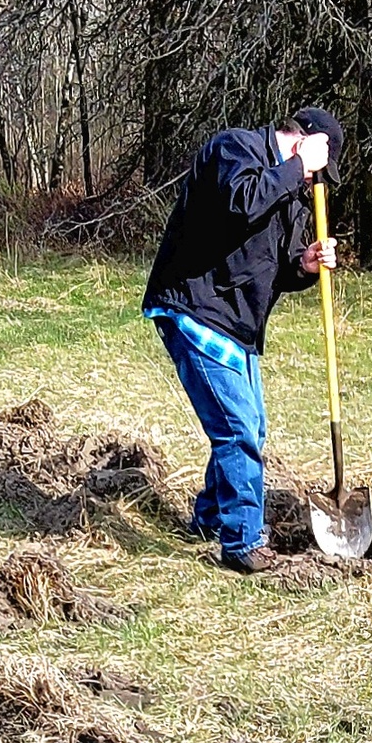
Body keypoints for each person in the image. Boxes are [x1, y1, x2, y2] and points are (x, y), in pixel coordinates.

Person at [143, 108, 343, 573]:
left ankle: (212, 518)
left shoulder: (292, 190)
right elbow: (243, 202)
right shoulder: (235, 149)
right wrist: (297, 167)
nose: (315, 178)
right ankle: (243, 542)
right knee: (236, 430)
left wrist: (305, 265)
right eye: (318, 163)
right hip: (195, 306)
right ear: (302, 142)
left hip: (239, 322)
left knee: (251, 429)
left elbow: (277, 265)